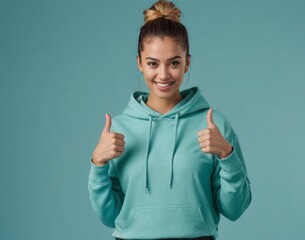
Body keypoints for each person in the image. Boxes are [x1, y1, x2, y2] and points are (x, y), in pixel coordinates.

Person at [88, 0, 252, 239]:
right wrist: (98, 164)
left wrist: (228, 155)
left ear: (187, 63)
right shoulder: (119, 129)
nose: (163, 74)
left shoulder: (213, 125)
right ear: (139, 64)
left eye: (174, 63)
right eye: (153, 63)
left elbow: (234, 209)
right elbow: (108, 216)